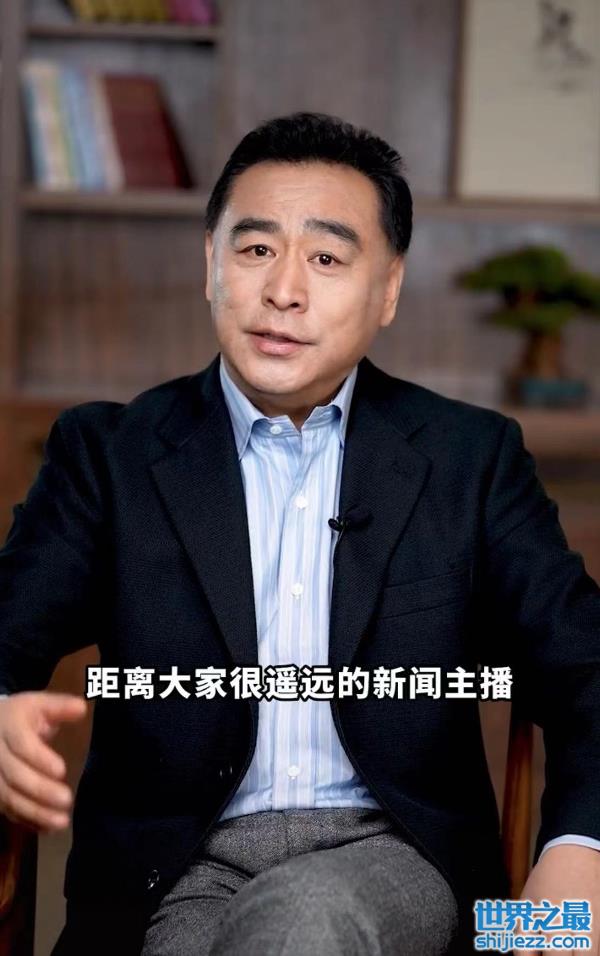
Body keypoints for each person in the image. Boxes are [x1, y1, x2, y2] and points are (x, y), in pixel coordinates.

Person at [0, 111, 599, 956]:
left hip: (395, 860)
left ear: (388, 289)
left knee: (304, 919)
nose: (283, 289)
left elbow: (587, 667)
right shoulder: (107, 456)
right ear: (210, 263)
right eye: (255, 249)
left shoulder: (470, 460)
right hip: (175, 874)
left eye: (325, 258)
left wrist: (579, 852)